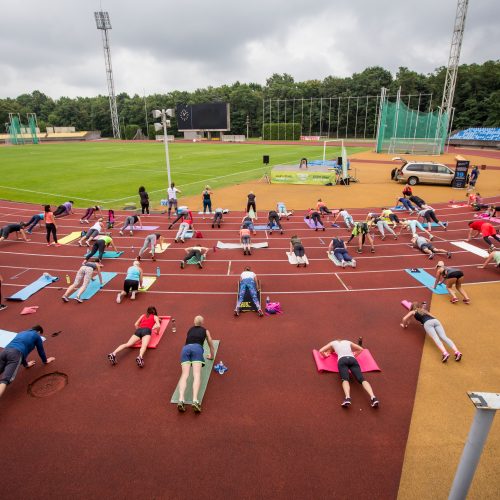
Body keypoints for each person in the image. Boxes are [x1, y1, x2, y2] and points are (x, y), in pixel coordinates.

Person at [318, 339, 379, 408]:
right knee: (362, 379)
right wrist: (355, 356)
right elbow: (361, 349)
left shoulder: (332, 343)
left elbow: (320, 351)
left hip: (342, 360)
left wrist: (325, 356)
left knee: (345, 379)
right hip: (352, 359)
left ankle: (347, 398)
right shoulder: (348, 341)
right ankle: (373, 397)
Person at [0, 325, 55, 398]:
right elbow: (40, 350)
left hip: (4, 352)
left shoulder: (21, 332)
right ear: (38, 332)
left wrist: (26, 365)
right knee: (5, 380)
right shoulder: (36, 335)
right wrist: (45, 361)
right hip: (15, 354)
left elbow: (22, 351)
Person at [176, 315, 215, 413]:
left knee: (184, 375)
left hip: (185, 349)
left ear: (194, 322)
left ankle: (181, 399)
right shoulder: (205, 331)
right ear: (202, 323)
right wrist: (211, 355)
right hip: (197, 349)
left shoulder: (190, 329)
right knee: (196, 374)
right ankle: (195, 400)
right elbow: (210, 342)